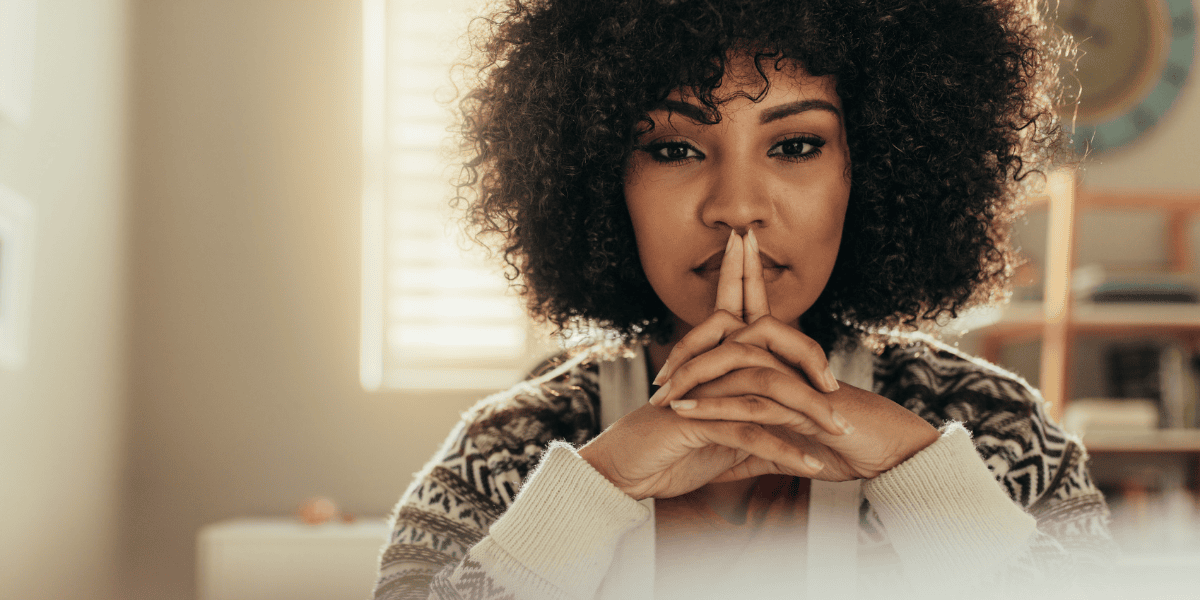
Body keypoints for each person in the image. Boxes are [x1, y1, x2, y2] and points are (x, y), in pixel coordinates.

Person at [373, 1, 1117, 598]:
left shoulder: (995, 430)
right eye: (673, 149)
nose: (736, 207)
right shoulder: (513, 445)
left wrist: (914, 468)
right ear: (603, 178)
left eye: (795, 146)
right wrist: (601, 484)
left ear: (871, 171)